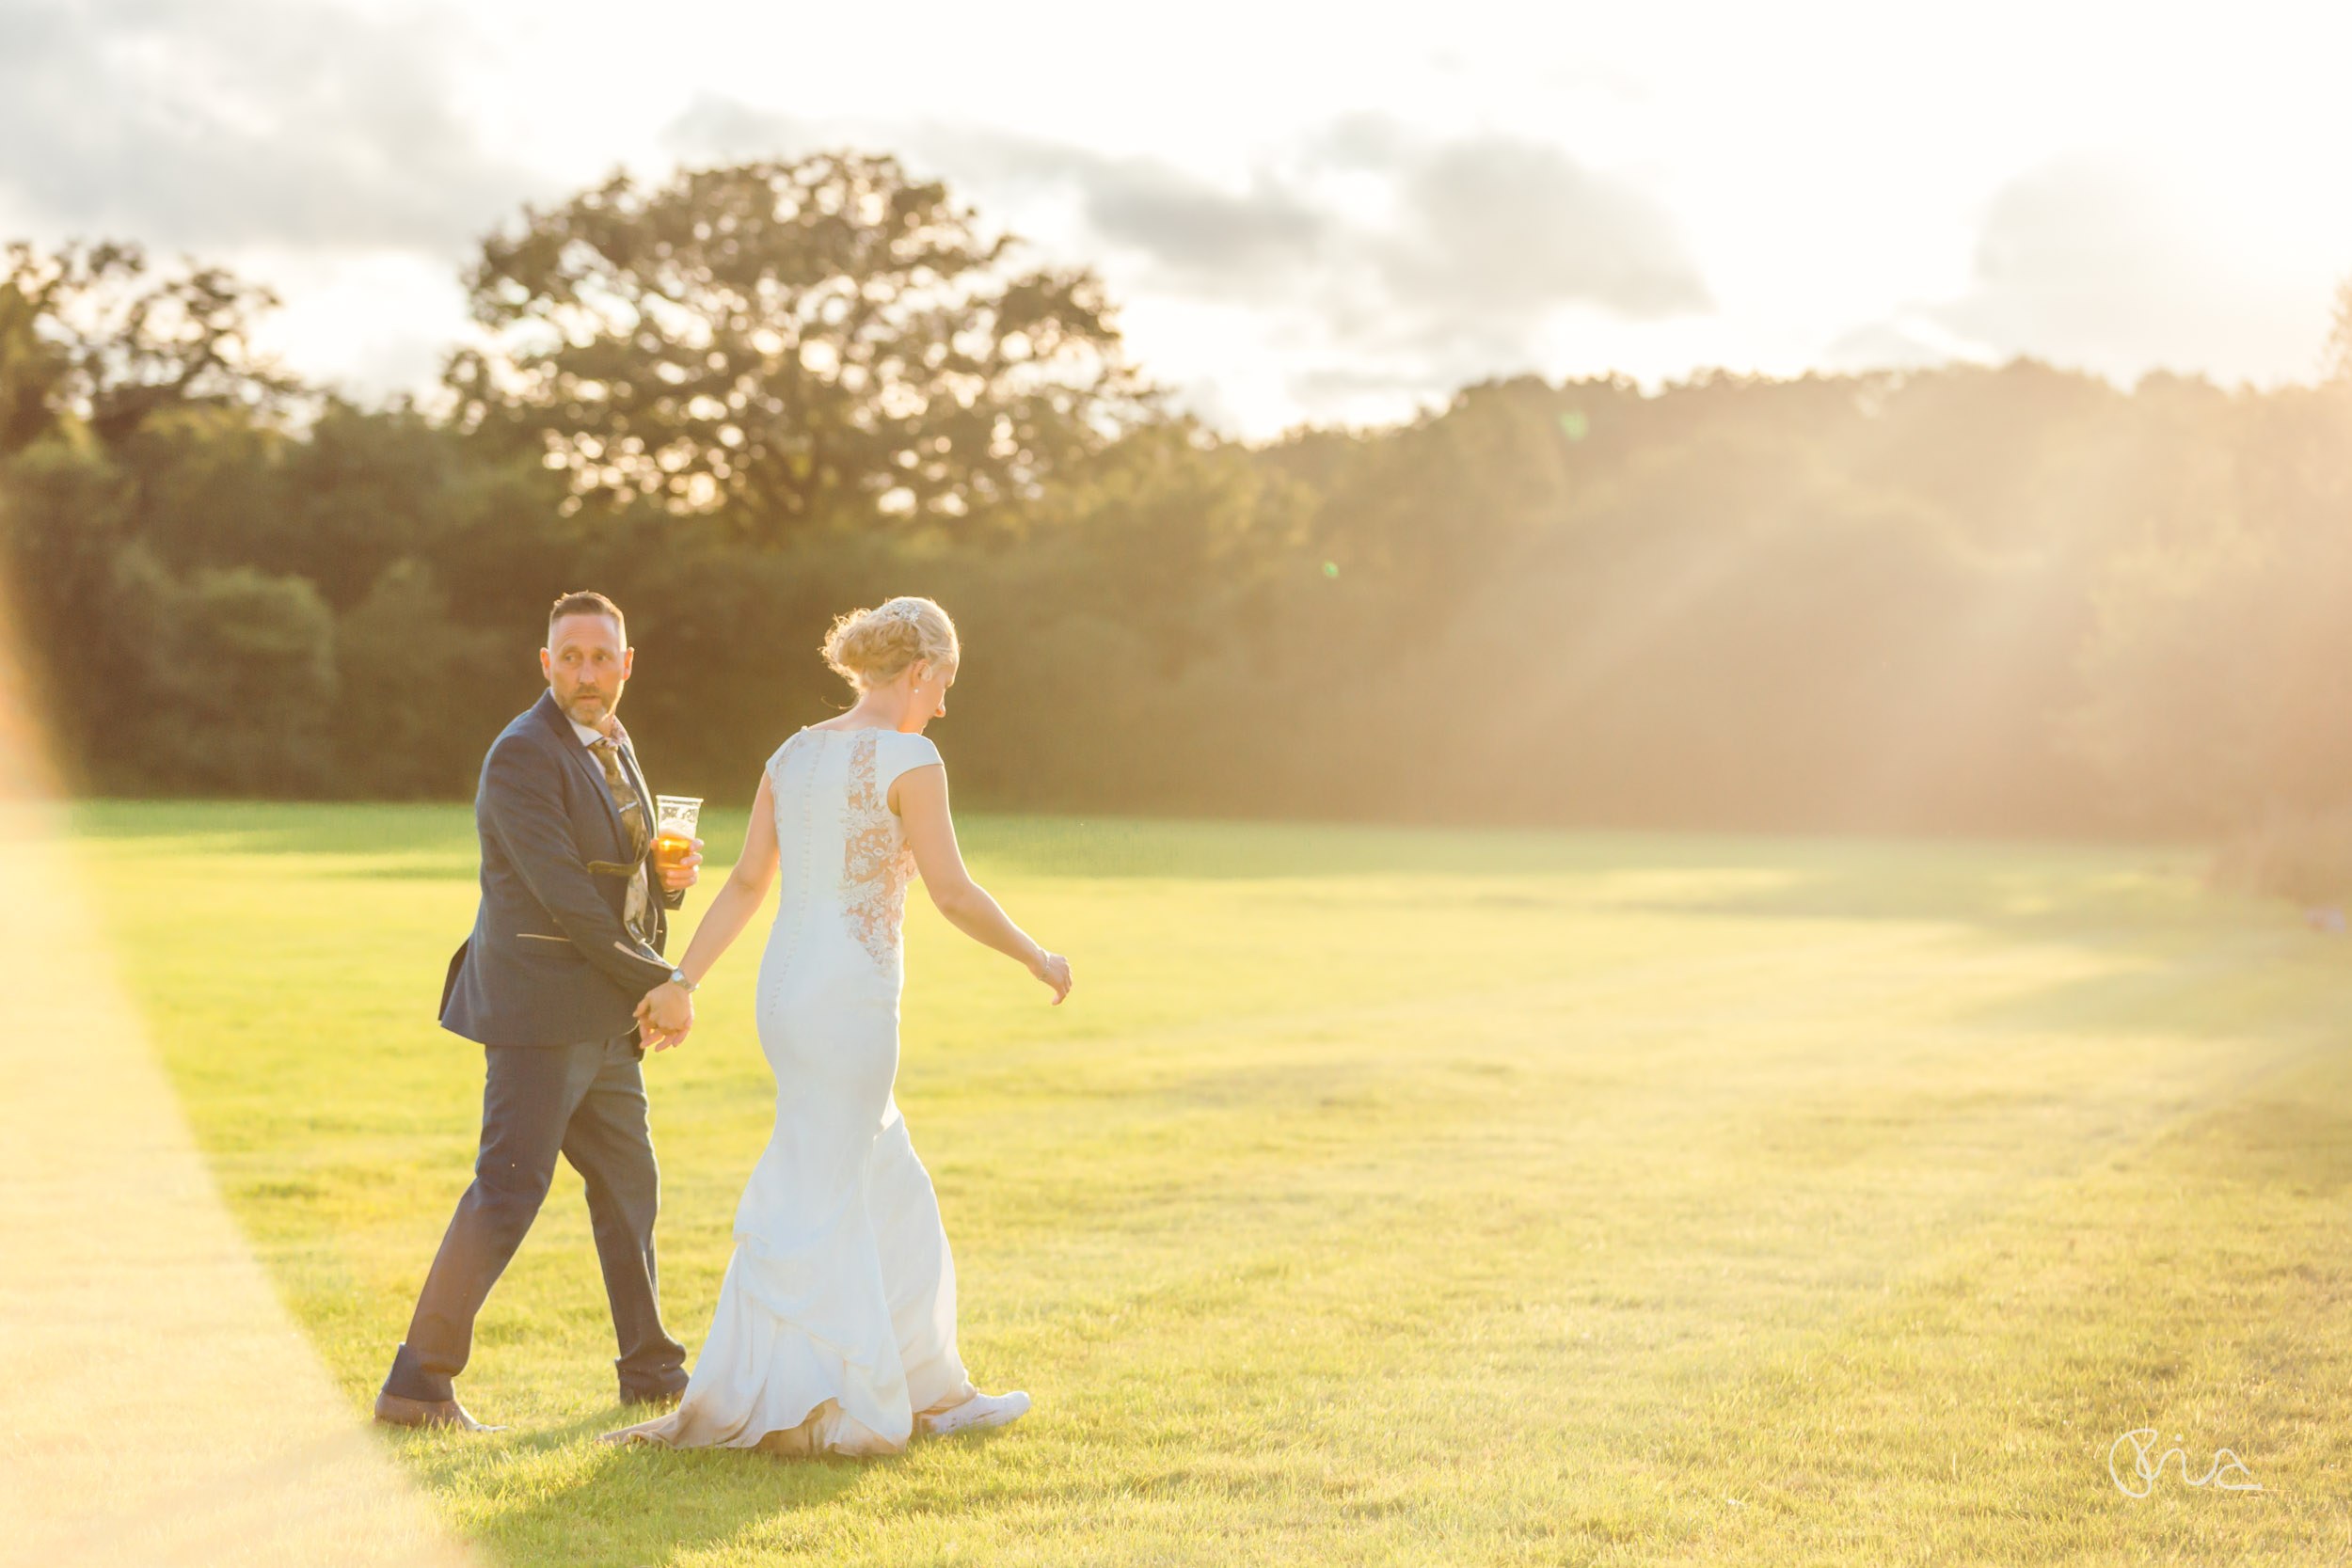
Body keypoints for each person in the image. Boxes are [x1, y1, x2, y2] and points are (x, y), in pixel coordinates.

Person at [608, 595, 1071, 1458]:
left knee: (885, 1175)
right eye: (946, 685)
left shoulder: (791, 754)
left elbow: (748, 882)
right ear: (922, 670)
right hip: (852, 995)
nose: (944, 705)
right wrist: (1038, 956)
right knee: (820, 1185)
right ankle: (824, 1400)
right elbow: (954, 892)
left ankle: (940, 1388)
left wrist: (685, 979)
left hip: (785, 994)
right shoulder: (912, 756)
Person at [373, 592, 707, 1432]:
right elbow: (562, 896)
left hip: (602, 1017)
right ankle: (417, 1386)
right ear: (546, 663)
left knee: (630, 1183)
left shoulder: (614, 745)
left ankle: (653, 1372)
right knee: (508, 1192)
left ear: (627, 665)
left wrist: (665, 882)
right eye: (572, 657)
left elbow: (611, 875)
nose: (587, 673)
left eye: (603, 657)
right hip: (537, 1013)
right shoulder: (522, 754)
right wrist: (663, 976)